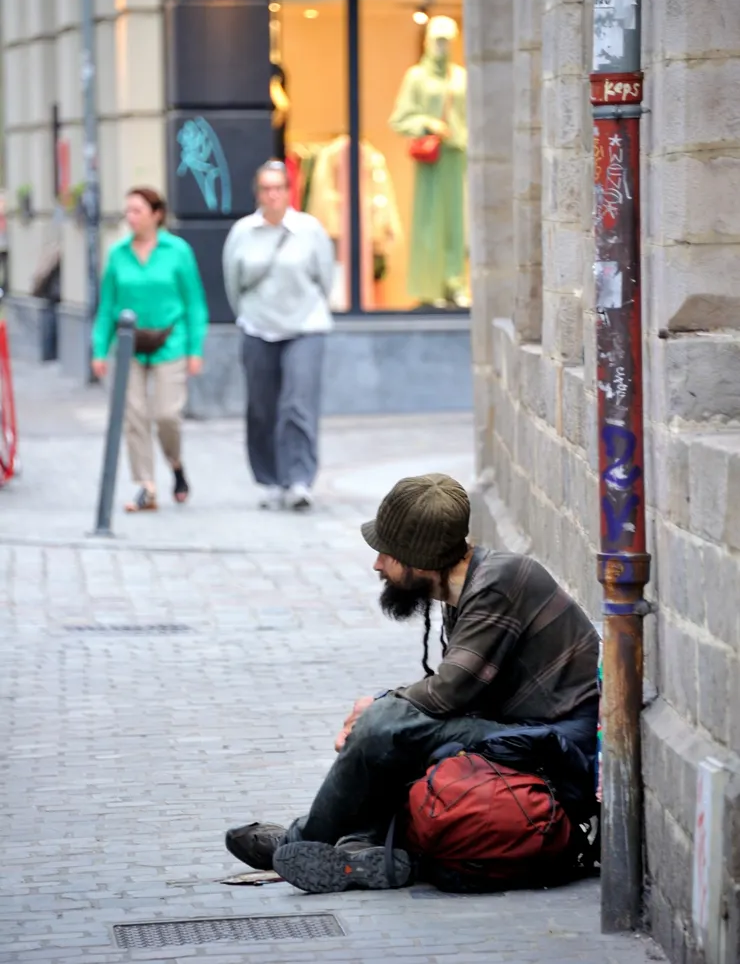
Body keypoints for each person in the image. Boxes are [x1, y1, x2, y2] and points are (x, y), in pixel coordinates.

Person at [225, 473, 600, 894]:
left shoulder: (498, 585)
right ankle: (360, 848)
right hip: (519, 731)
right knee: (394, 729)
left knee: (387, 723)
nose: (377, 564)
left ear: (420, 562)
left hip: (554, 745)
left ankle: (303, 840)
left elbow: (447, 693)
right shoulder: (475, 583)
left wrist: (380, 708)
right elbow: (451, 698)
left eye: (388, 553)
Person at [222, 160, 334, 512]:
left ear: (289, 192)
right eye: (266, 188)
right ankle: (270, 480)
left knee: (297, 405)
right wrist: (250, 315)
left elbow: (325, 277)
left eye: (279, 188)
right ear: (257, 193)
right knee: (261, 407)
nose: (272, 195)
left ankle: (299, 480)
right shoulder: (243, 231)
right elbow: (232, 284)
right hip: (258, 326)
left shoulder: (309, 229)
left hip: (305, 327)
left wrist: (309, 310)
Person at [92, 187, 208, 513]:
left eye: (137, 211)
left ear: (156, 214)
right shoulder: (118, 254)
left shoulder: (178, 251)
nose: (130, 217)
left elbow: (195, 303)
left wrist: (195, 349)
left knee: (167, 415)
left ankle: (175, 464)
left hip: (171, 341)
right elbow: (107, 306)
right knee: (134, 416)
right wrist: (99, 350)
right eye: (127, 211)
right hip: (129, 344)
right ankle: (146, 485)